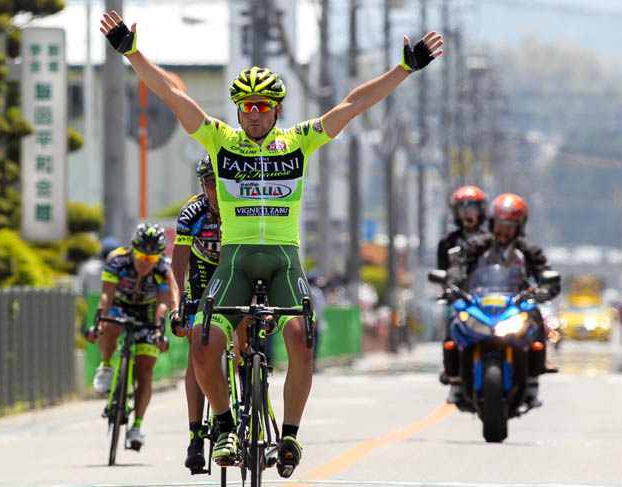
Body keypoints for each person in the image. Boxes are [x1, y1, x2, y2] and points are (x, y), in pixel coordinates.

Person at [100, 10, 442, 477]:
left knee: (302, 340)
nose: (255, 113)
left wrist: (404, 68)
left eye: (264, 106)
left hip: (284, 260)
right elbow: (173, 94)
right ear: (238, 111)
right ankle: (223, 425)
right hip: (235, 260)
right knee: (203, 346)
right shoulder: (221, 141)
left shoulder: (297, 143)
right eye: (247, 106)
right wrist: (131, 52)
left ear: (277, 110)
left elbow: (353, 103)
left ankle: (290, 437)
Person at [446, 193, 560, 408]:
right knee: (454, 323)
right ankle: (456, 381)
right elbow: (457, 267)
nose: (504, 230)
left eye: (510, 225)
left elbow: (547, 275)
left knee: (536, 322)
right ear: (491, 223)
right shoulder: (476, 246)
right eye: (500, 224)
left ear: (520, 226)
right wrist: (452, 285)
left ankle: (533, 380)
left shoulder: (528, 251)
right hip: (480, 302)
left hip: (516, 304)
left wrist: (543, 291)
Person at [87, 222, 176, 450]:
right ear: (132, 249)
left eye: (150, 259)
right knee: (110, 326)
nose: (144, 263)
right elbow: (106, 296)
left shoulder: (163, 269)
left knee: (145, 371)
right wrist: (99, 322)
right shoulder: (117, 260)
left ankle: (136, 426)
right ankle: (107, 366)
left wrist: (159, 329)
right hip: (121, 306)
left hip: (147, 313)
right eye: (141, 256)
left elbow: (162, 304)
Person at [169, 154, 223, 473]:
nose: (217, 190)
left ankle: (244, 404)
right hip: (202, 284)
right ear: (202, 185)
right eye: (210, 184)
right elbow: (178, 267)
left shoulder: (241, 207)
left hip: (234, 278)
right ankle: (195, 436)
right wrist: (178, 307)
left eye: (221, 183)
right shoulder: (194, 213)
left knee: (247, 337)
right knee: (197, 350)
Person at [436, 185, 487, 402]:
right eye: (462, 208)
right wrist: (449, 289)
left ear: (481, 210)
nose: (467, 213)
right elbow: (443, 272)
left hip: (490, 296)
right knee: (451, 325)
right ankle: (454, 377)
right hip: (461, 298)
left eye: (472, 207)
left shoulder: (493, 238)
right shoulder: (448, 242)